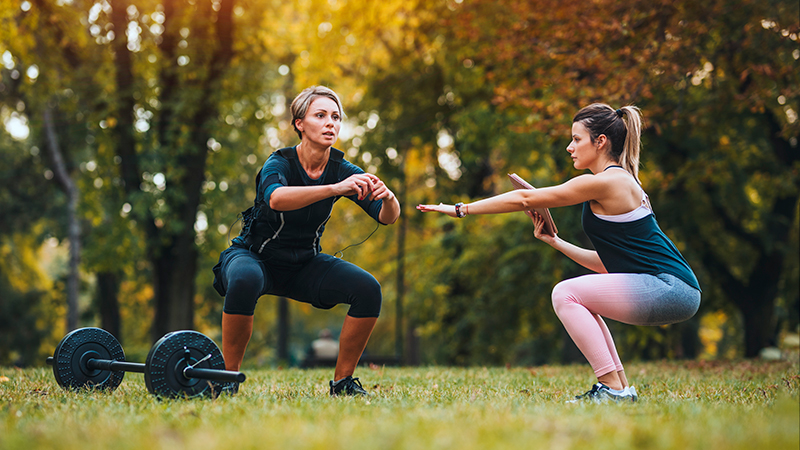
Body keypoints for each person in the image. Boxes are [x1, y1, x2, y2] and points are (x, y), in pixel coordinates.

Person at [417, 104, 701, 402]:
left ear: (600, 141)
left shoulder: (608, 182)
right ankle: (620, 391)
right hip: (672, 288)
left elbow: (526, 197)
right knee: (579, 297)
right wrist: (555, 241)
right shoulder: (618, 182)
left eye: (577, 139)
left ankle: (612, 390)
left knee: (565, 293)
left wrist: (461, 209)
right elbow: (610, 266)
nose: (570, 147)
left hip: (671, 288)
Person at [213, 86, 401, 396]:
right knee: (245, 278)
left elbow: (386, 216)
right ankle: (226, 380)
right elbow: (276, 199)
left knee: (368, 289)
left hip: (304, 263)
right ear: (300, 123)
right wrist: (335, 189)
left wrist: (390, 198)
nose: (331, 123)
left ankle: (343, 384)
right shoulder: (280, 163)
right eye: (321, 115)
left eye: (336, 117)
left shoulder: (342, 170)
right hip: (254, 256)